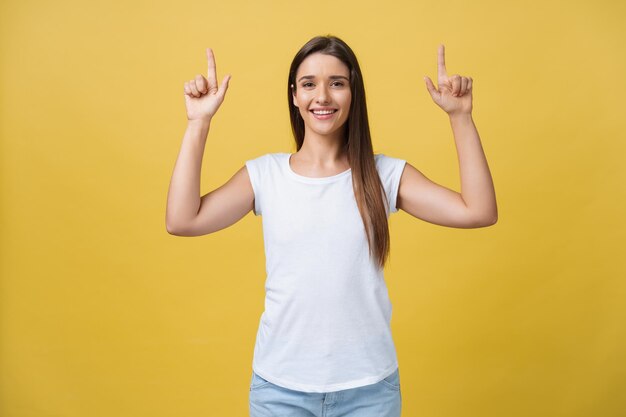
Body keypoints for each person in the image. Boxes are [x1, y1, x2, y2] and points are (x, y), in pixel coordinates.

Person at [166, 35, 497, 417]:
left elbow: (479, 211)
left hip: (369, 391)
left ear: (353, 93)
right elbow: (181, 220)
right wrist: (198, 122)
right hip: (280, 391)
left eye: (337, 83)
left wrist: (461, 117)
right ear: (294, 95)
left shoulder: (383, 174)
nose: (322, 96)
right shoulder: (264, 176)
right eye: (309, 84)